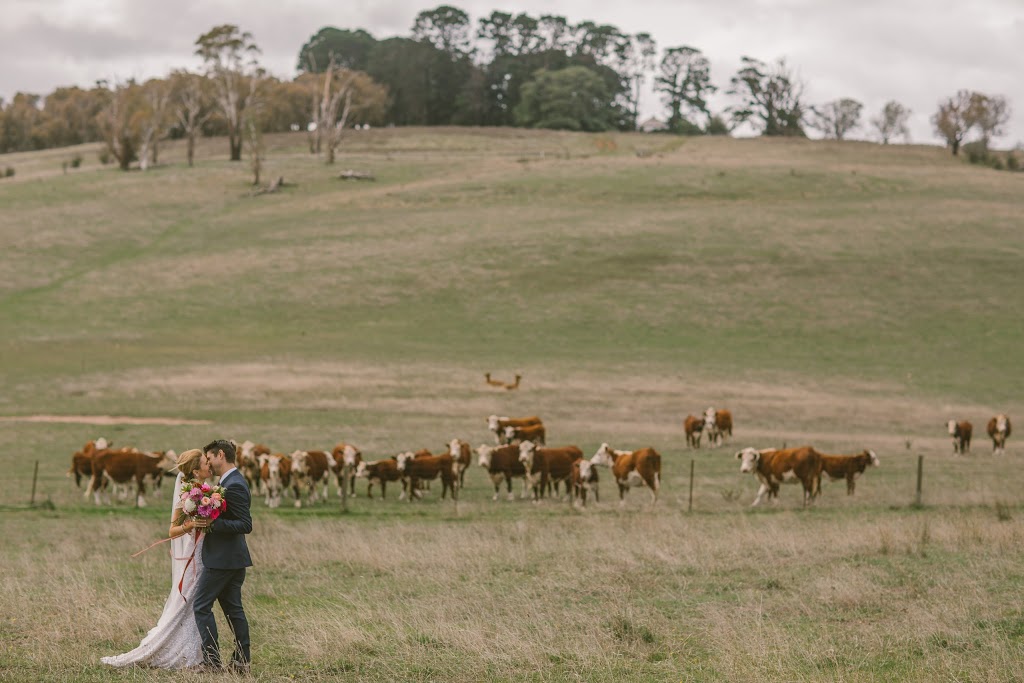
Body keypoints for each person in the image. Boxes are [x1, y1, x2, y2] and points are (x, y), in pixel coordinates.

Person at [101, 449, 211, 669]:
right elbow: (172, 530)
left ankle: (194, 651)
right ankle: (178, 651)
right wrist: (191, 525)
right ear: (196, 469)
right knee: (187, 601)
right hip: (193, 553)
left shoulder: (206, 490)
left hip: (204, 551)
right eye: (206, 462)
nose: (210, 465)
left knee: (196, 603)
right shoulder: (188, 494)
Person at [193, 439, 253, 673]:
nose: (208, 462)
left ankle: (212, 662)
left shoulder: (235, 484)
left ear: (220, 455)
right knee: (233, 610)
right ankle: (241, 662)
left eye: (209, 457)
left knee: (201, 606)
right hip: (231, 559)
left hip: (224, 559)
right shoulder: (226, 482)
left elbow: (245, 524)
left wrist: (212, 523)